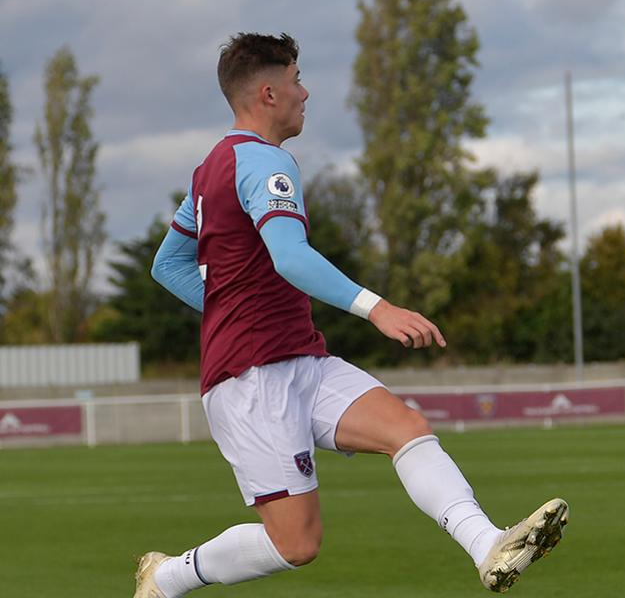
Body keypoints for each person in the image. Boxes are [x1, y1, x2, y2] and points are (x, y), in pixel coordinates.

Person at [137, 32, 567, 597]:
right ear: (268, 92)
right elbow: (289, 256)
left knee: (407, 429)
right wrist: (377, 308)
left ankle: (488, 545)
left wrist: (232, 310)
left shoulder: (212, 166)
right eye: (295, 80)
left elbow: (168, 265)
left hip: (300, 360)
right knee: (297, 545)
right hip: (252, 379)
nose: (305, 92)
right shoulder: (265, 163)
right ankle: (166, 579)